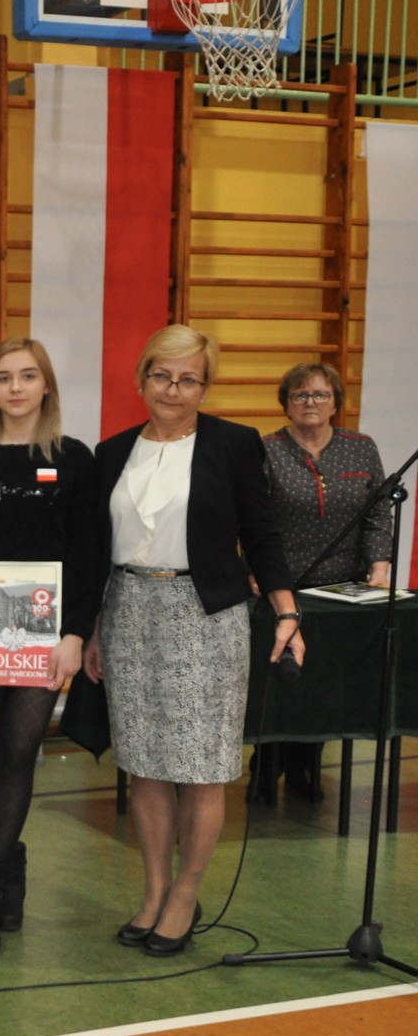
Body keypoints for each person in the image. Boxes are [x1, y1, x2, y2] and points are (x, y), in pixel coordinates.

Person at [84, 324, 303, 956]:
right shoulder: (112, 452)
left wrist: (287, 612)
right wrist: (94, 628)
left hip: (205, 617)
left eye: (188, 379)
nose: (172, 390)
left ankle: (186, 893)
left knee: (203, 767)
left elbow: (262, 534)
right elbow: (97, 548)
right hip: (127, 612)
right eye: (161, 375)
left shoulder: (233, 445)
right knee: (146, 765)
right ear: (141, 379)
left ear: (206, 387)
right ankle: (154, 890)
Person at [0, 338, 98, 955]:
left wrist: (74, 634)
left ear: (46, 386)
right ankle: (10, 863)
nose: (15, 388)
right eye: (4, 377)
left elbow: (88, 553)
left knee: (19, 749)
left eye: (28, 376)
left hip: (44, 631)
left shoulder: (74, 459)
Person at [253, 360, 392, 803]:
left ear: (335, 403)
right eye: (300, 395)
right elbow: (250, 520)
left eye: (320, 394)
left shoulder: (361, 448)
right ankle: (266, 764)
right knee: (281, 679)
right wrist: (255, 571)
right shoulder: (266, 450)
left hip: (342, 591)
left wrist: (380, 565)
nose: (310, 402)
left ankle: (307, 766)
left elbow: (378, 510)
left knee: (326, 684)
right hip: (280, 588)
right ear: (286, 404)